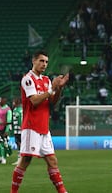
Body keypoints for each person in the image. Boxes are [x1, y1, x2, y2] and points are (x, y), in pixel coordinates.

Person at [11, 50, 69, 193]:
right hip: (32, 126)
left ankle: (62, 191)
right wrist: (51, 90)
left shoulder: (46, 80)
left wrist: (59, 89)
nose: (44, 64)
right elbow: (35, 101)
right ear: (34, 61)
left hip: (44, 127)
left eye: (46, 62)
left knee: (52, 160)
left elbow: (52, 103)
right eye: (41, 61)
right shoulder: (28, 79)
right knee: (26, 160)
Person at [0, 96, 12, 164]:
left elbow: (9, 120)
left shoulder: (8, 109)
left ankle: (4, 158)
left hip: (4, 128)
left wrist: (7, 130)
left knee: (3, 143)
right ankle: (0, 156)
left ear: (4, 101)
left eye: (1, 100)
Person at [11, 97, 22, 165]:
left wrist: (21, 127)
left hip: (19, 130)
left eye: (14, 102)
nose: (13, 103)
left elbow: (19, 119)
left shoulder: (17, 110)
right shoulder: (17, 109)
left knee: (19, 143)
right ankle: (20, 158)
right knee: (18, 143)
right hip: (17, 130)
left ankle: (20, 159)